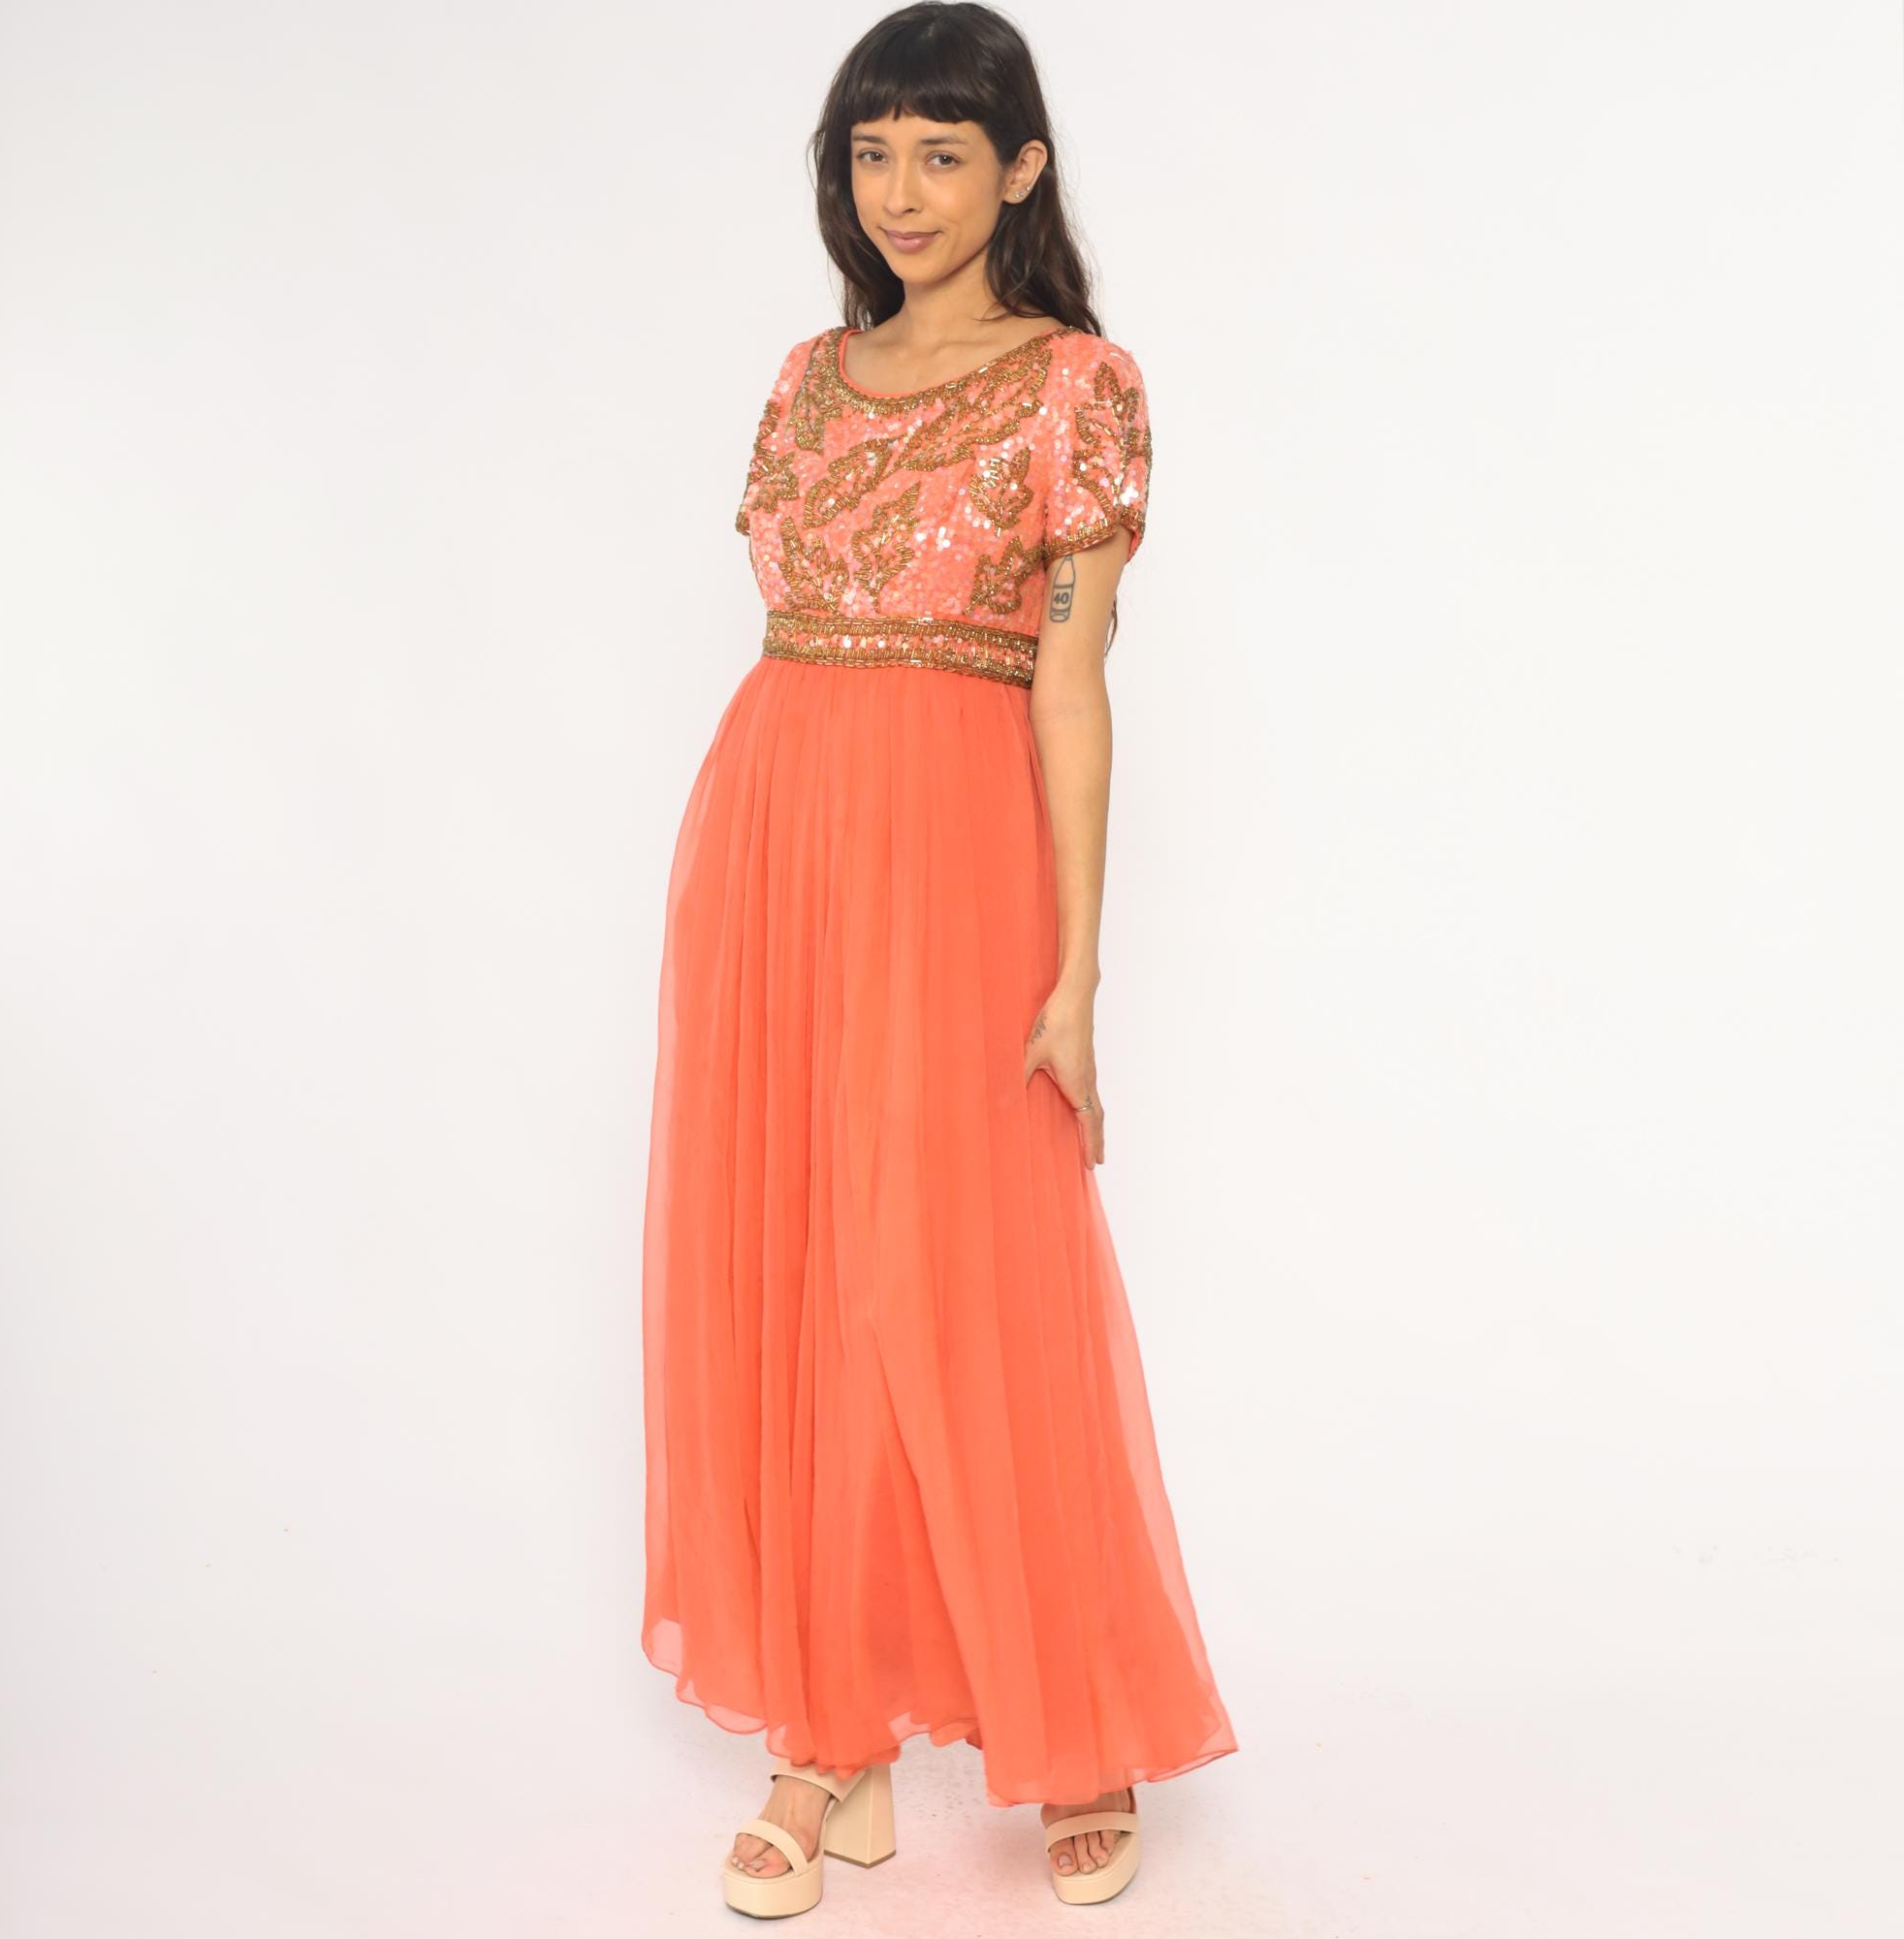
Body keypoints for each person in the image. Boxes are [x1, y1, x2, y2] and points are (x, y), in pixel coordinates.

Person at [639, 3, 1238, 1913]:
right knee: (802, 1262)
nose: (901, 192)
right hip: (774, 834)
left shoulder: (1077, 386)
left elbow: (1072, 686)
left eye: (942, 154)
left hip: (957, 853)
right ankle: (830, 1733)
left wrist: (1075, 973)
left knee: (969, 1268)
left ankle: (1074, 1717)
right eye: (872, 153)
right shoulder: (809, 379)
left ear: (1020, 169)